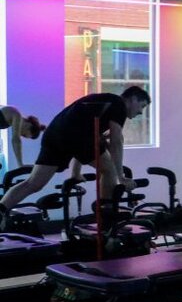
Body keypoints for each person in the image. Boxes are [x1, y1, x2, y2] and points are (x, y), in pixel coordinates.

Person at [0, 86, 151, 221]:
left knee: (33, 183)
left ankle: (1, 209)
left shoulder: (104, 104)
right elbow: (116, 141)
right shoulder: (118, 105)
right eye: (141, 106)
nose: (140, 112)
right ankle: (107, 217)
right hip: (73, 136)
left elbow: (82, 137)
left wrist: (75, 172)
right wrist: (121, 177)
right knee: (108, 170)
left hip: (55, 134)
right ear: (132, 99)